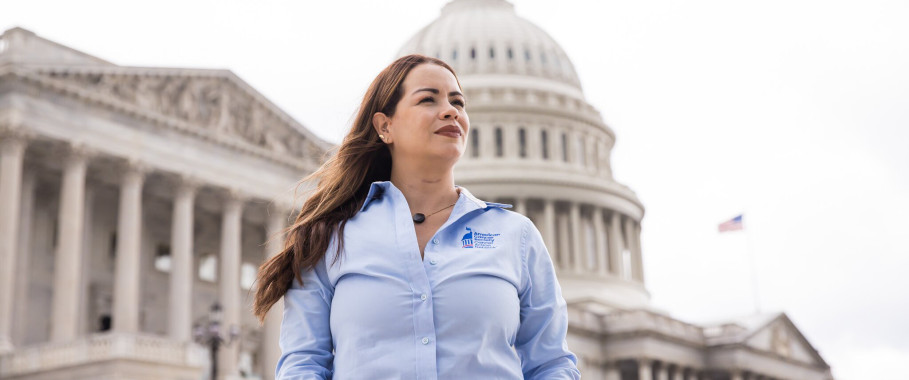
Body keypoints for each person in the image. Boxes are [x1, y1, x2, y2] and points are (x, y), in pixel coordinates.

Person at [254, 54, 580, 380]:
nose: (451, 111)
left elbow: (551, 364)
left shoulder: (516, 236)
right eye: (428, 99)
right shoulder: (329, 238)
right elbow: (304, 364)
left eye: (458, 102)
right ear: (385, 126)